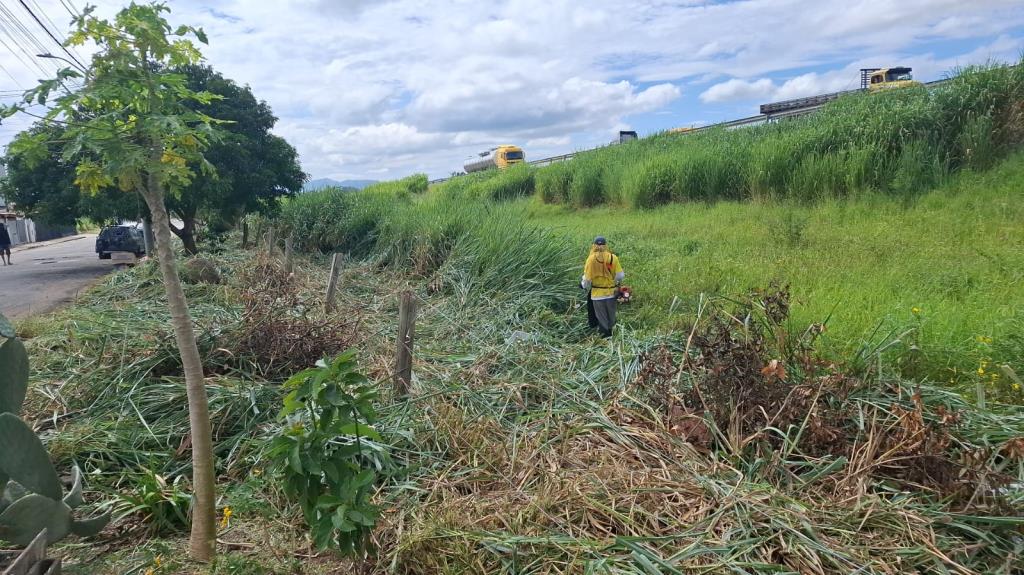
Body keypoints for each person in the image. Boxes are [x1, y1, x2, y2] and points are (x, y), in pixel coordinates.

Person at [581, 236, 623, 337]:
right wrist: (614, 282)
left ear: (594, 245)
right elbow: (620, 276)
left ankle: (605, 337)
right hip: (611, 293)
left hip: (597, 295)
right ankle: (613, 335)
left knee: (601, 318)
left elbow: (587, 280)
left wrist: (583, 286)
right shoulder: (613, 258)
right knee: (611, 316)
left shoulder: (591, 260)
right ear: (605, 245)